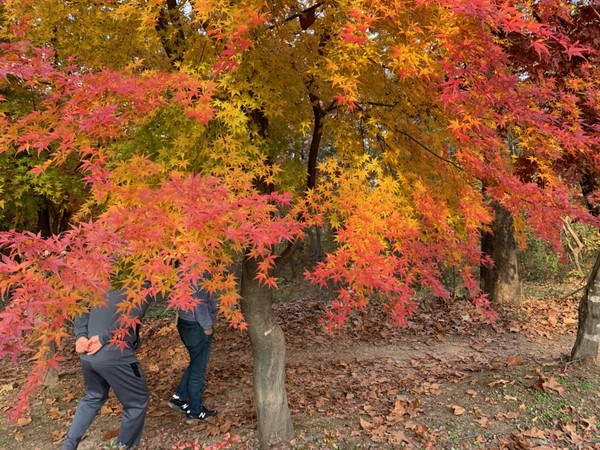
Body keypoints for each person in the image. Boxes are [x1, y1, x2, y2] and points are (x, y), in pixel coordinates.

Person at [62, 289, 152, 450]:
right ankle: (123, 447)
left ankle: (68, 446)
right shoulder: (145, 283)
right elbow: (131, 316)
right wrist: (103, 338)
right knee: (137, 403)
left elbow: (82, 308)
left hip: (88, 353)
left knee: (93, 397)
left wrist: (81, 335)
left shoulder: (97, 275)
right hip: (114, 354)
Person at [167, 282, 218, 423]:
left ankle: (180, 397)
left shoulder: (183, 268)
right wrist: (207, 326)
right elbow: (199, 304)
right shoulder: (198, 271)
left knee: (196, 362)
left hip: (185, 322)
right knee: (198, 369)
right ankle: (195, 411)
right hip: (197, 326)